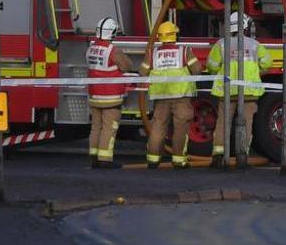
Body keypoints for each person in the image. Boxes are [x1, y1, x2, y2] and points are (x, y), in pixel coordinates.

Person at [207, 15, 264, 168]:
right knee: (246, 123)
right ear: (245, 27)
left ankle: (219, 156)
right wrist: (257, 71)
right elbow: (267, 62)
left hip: (227, 92)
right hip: (249, 91)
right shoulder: (255, 45)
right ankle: (242, 157)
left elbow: (212, 65)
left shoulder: (221, 44)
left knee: (223, 122)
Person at [143, 20, 201, 168]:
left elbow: (142, 71)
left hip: (161, 97)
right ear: (175, 35)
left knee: (158, 127)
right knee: (180, 129)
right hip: (181, 96)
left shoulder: (153, 53)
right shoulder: (184, 51)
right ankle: (179, 160)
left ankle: (153, 160)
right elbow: (197, 70)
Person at [84, 17, 130, 170]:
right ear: (113, 33)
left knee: (96, 127)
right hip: (111, 97)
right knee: (109, 128)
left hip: (94, 95)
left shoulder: (91, 48)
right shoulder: (113, 50)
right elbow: (127, 66)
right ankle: (105, 160)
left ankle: (94, 157)